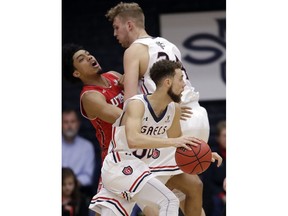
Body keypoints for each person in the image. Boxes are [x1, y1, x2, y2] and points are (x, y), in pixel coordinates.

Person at [106, 2, 219, 216]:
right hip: (197, 116)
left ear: (129, 25)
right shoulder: (169, 45)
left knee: (151, 193)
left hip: (173, 120)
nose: (115, 34)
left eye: (116, 27)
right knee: (187, 190)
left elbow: (132, 100)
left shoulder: (134, 51)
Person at [89, 59, 204, 216]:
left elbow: (178, 145)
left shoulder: (174, 109)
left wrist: (204, 153)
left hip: (140, 169)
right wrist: (173, 141)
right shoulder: (137, 104)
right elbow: (133, 140)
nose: (184, 84)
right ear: (168, 82)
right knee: (169, 201)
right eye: (180, 79)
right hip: (120, 166)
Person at [62, 108, 96, 198]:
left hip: (79, 194)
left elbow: (88, 176)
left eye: (72, 122)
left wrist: (70, 185)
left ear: (78, 123)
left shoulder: (87, 147)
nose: (69, 125)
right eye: (66, 122)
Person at [201, 120, 226, 216]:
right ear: (218, 138)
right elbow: (208, 182)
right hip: (216, 195)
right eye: (224, 136)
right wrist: (222, 195)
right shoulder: (213, 156)